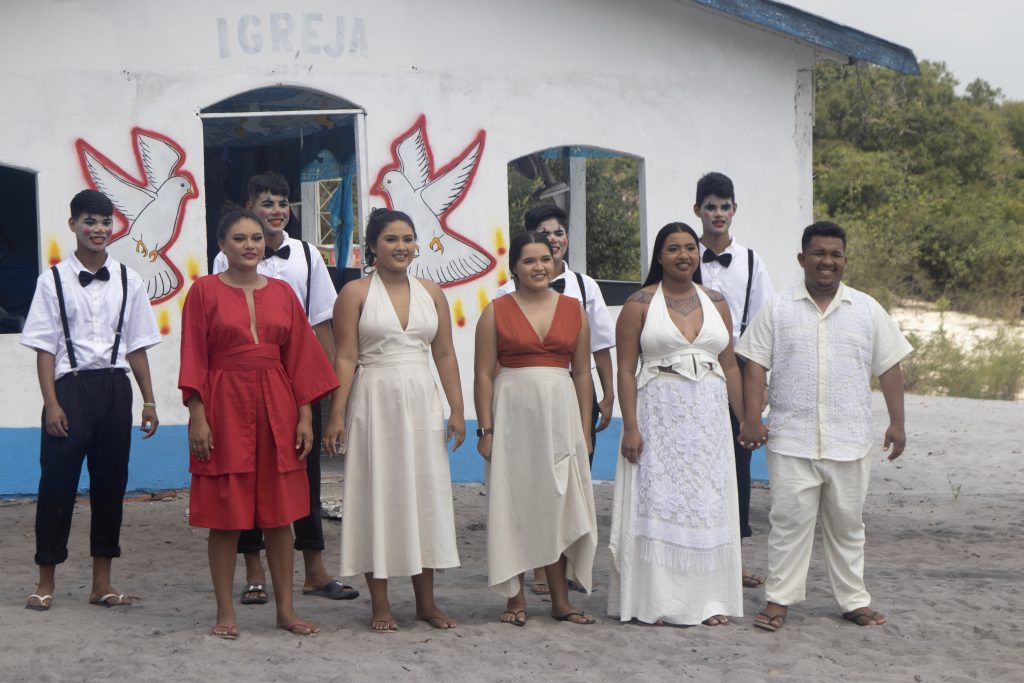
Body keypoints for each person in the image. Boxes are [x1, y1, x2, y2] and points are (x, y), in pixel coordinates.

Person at [736, 221, 912, 632]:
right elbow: (755, 365)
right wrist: (751, 419)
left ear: (845, 261)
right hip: (791, 438)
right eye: (818, 254)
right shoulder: (778, 309)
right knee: (788, 523)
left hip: (849, 439)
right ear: (802, 259)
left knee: (849, 525)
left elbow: (890, 367)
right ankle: (779, 600)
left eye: (835, 255)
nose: (827, 262)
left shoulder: (867, 310)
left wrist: (898, 423)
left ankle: (854, 600)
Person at [179, 208, 339, 639]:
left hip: (278, 403)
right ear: (222, 245)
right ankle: (225, 611)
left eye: (255, 238)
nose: (249, 245)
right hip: (222, 403)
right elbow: (193, 352)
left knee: (280, 514)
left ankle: (286, 610)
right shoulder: (203, 292)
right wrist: (197, 414)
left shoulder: (285, 293)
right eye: (238, 238)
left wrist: (306, 414)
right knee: (225, 513)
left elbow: (301, 357)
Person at [212, 173, 357, 605]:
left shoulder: (308, 256)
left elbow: (321, 322)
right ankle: (253, 569)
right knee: (249, 473)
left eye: (282, 202)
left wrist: (329, 390)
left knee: (304, 475)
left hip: (295, 377)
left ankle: (314, 567)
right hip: (242, 381)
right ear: (248, 207)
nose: (275, 209)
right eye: (266, 202)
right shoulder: (226, 259)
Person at [323, 208, 465, 632]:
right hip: (374, 400)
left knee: (424, 494)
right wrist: (336, 414)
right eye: (391, 239)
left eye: (408, 238)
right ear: (372, 247)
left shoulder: (432, 292)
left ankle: (427, 603)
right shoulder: (354, 293)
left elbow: (444, 353)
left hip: (422, 400)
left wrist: (457, 409)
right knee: (377, 496)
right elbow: (345, 356)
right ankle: (380, 605)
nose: (401, 246)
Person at [20, 189, 160, 612]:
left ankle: (102, 582)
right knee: (56, 487)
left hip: (115, 388)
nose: (98, 230)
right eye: (89, 222)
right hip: (70, 390)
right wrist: (52, 403)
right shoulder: (53, 280)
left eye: (104, 222)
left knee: (110, 486)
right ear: (73, 225)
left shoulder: (128, 279)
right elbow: (45, 349)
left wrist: (149, 401)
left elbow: (137, 345)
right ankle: (46, 580)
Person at [608, 222, 745, 627]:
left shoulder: (717, 301)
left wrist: (745, 420)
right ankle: (659, 602)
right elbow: (624, 370)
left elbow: (730, 364)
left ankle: (709, 601)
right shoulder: (638, 304)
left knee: (707, 504)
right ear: (659, 256)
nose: (683, 255)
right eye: (673, 249)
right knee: (659, 500)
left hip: (708, 418)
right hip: (658, 413)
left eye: (690, 248)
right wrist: (630, 427)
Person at [474, 231, 598, 627]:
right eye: (529, 260)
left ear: (556, 263)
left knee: (559, 504)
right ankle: (515, 599)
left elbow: (581, 373)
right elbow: (482, 375)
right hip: (512, 416)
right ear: (515, 267)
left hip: (561, 416)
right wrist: (486, 430)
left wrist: (585, 427)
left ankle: (561, 601)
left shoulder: (574, 309)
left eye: (545, 259)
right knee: (514, 502)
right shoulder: (495, 311)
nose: (539, 267)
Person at [495, 204, 614, 596]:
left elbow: (595, 352)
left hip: (570, 397)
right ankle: (533, 574)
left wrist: (606, 394)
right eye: (533, 253)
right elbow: (486, 368)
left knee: (567, 487)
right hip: (520, 404)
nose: (551, 245)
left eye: (558, 235)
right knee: (524, 487)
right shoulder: (500, 302)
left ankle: (562, 572)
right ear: (515, 264)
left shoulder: (583, 290)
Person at [692, 172, 774, 589]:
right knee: (695, 460)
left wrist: (756, 394)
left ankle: (735, 559)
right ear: (697, 211)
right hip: (690, 367)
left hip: (737, 369)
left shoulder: (753, 262)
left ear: (734, 210)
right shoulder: (683, 256)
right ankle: (694, 553)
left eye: (725, 206)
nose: (717, 214)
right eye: (710, 206)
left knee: (738, 464)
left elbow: (762, 330)